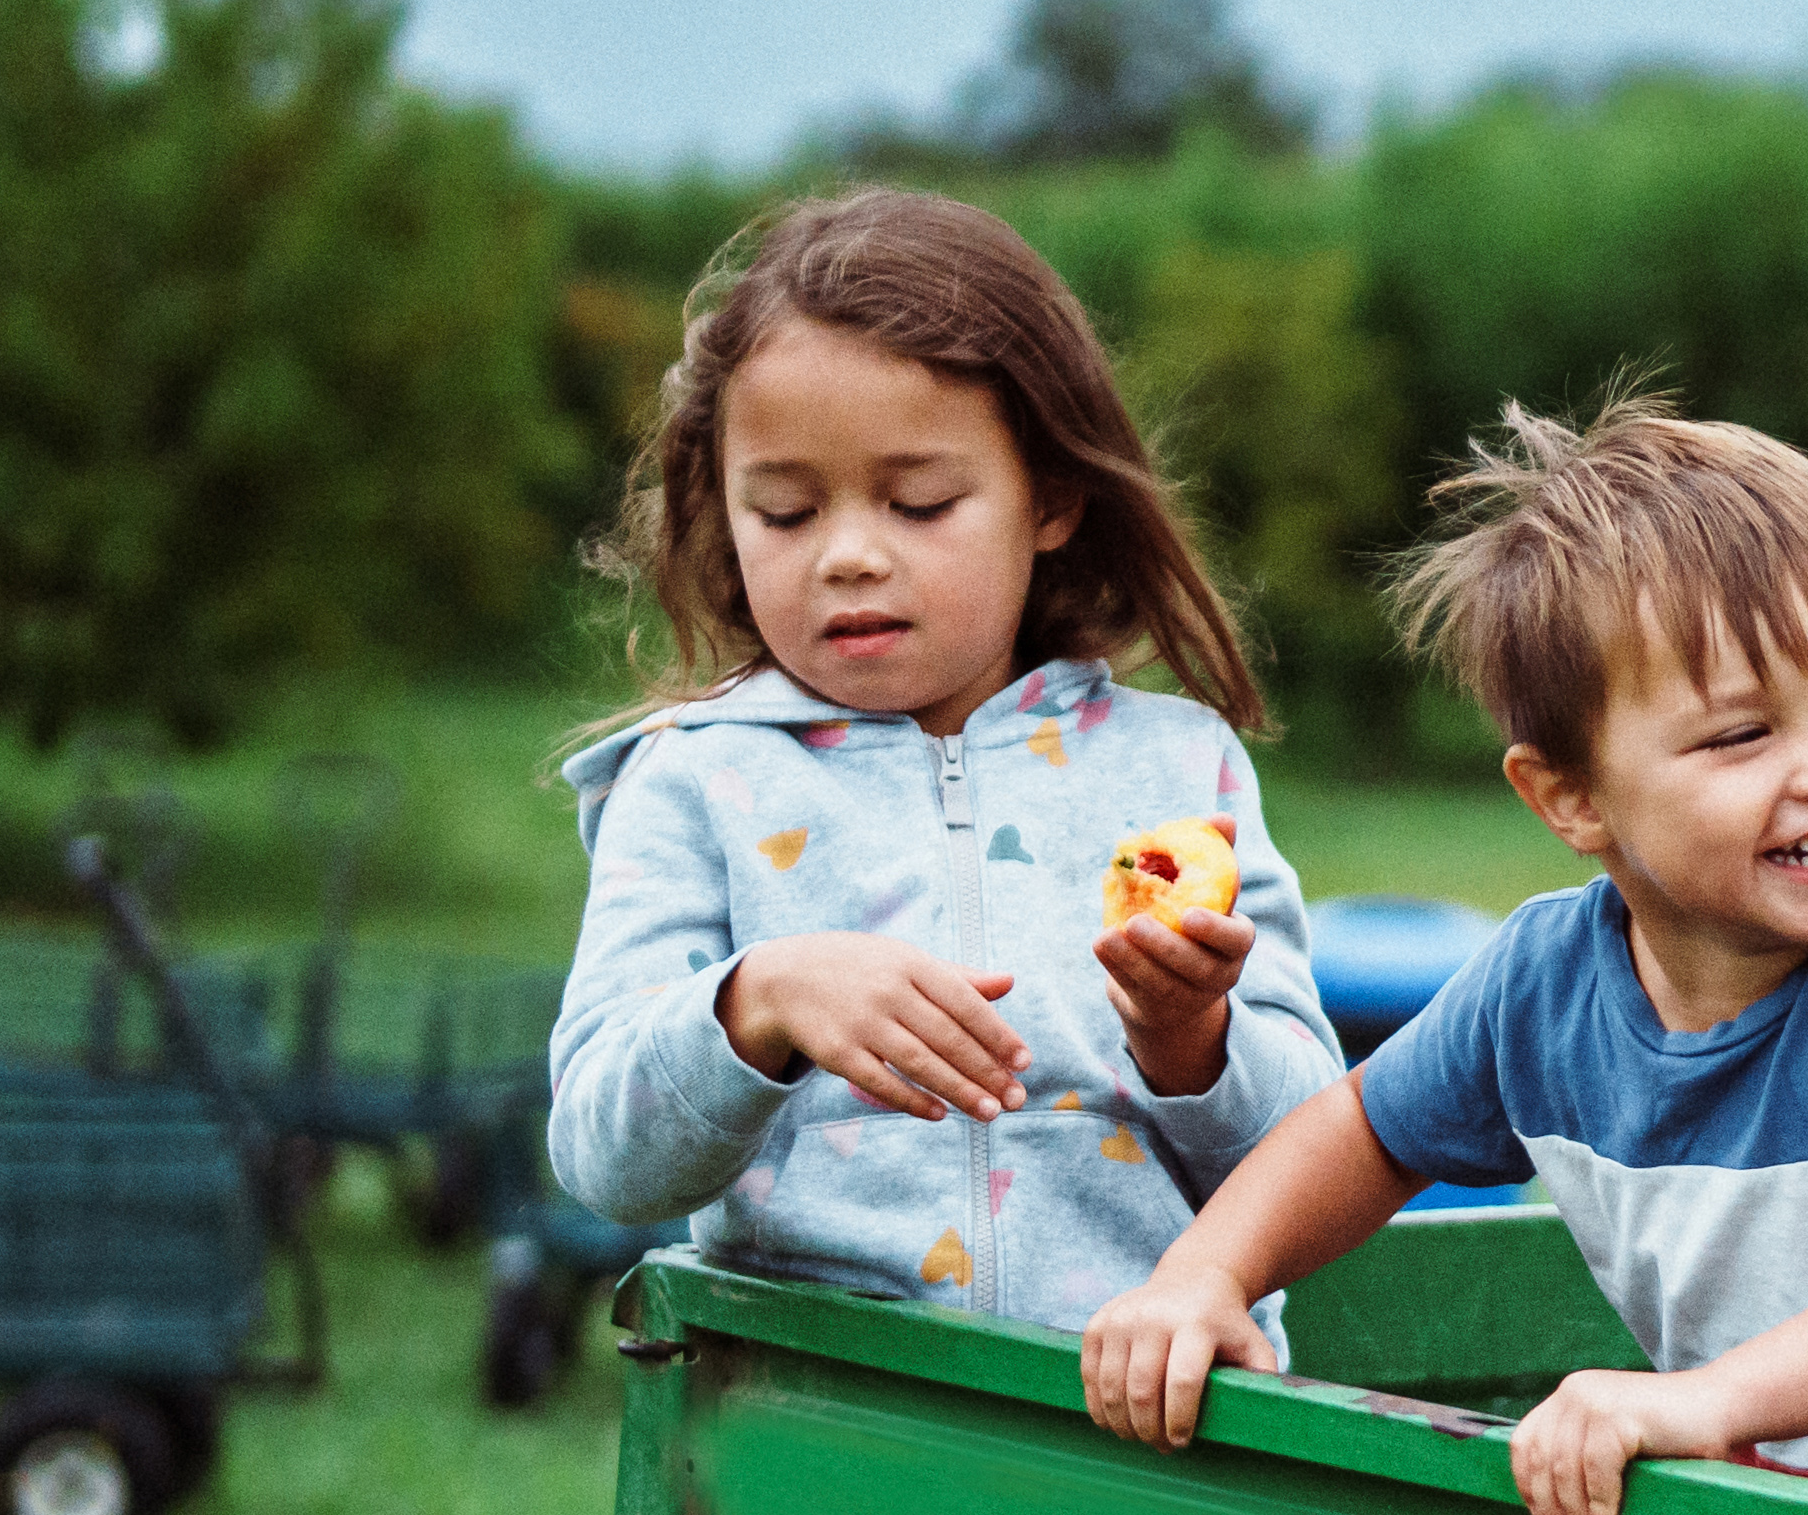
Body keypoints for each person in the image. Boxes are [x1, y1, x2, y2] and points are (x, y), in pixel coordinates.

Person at [1081, 391, 1808, 1515]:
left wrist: (1707, 1400)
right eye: (1742, 734)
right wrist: (1203, 1276)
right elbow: (1362, 1130)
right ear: (1571, 798)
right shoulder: (1542, 984)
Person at [549, 188, 1343, 1325]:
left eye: (918, 502)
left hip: (1144, 1445)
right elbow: (603, 1158)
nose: (850, 557)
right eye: (782, 512)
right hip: (824, 1437)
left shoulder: (1181, 774)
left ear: (1052, 498)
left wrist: (1191, 1044)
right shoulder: (693, 783)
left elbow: (1311, 1168)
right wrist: (758, 1000)